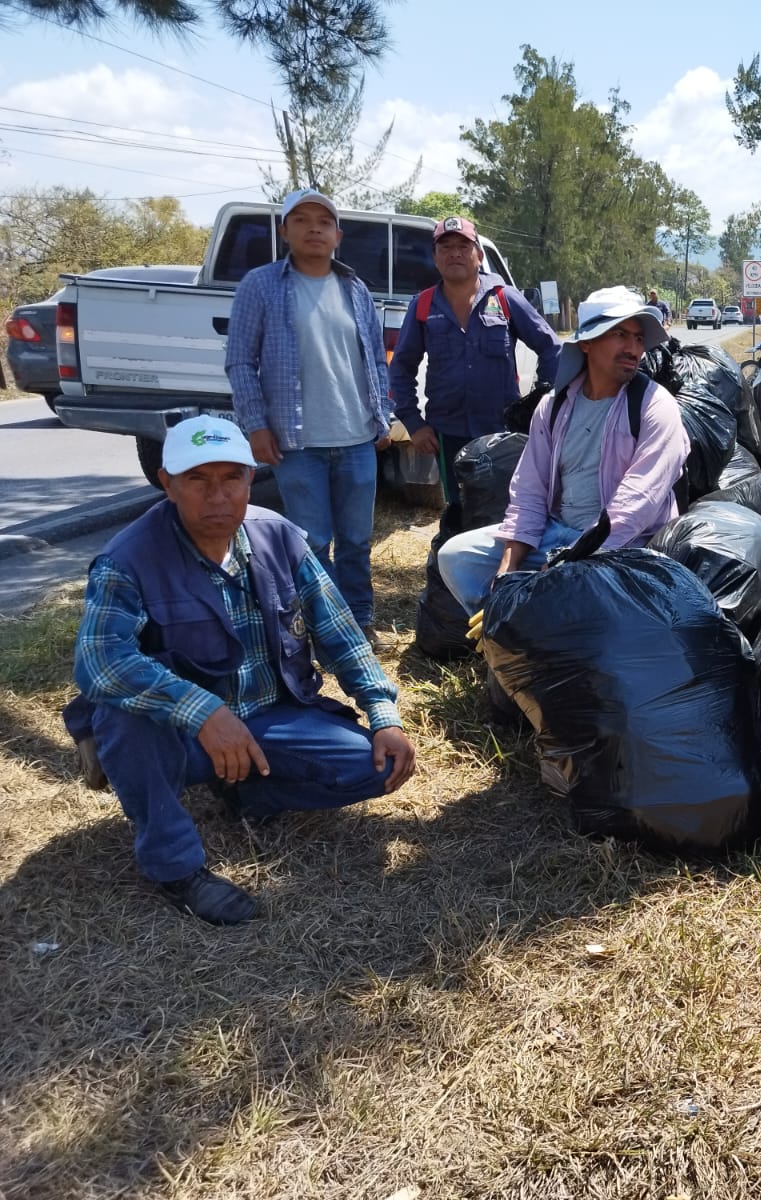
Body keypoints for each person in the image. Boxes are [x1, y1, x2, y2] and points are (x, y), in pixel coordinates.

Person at [63, 417, 418, 924]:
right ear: (167, 482)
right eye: (198, 480)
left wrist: (383, 713)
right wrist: (203, 712)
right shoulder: (128, 559)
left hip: (270, 713)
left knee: (376, 767)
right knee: (121, 714)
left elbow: (340, 632)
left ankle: (246, 789)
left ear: (251, 479)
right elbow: (99, 663)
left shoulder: (280, 538)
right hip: (182, 734)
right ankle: (175, 868)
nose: (217, 496)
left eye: (231, 477)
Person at [437, 286, 689, 613]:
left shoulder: (655, 407)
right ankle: (502, 627)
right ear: (586, 343)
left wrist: (563, 567)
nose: (633, 348)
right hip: (556, 535)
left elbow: (635, 506)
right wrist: (507, 572)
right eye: (620, 334)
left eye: (639, 339)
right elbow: (529, 491)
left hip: (624, 547)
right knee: (457, 557)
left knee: (582, 605)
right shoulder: (553, 408)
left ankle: (535, 618)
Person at [225, 188, 393, 646]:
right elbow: (240, 361)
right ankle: (329, 629)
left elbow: (375, 359)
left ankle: (360, 620)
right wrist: (255, 425)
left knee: (358, 541)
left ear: (338, 235)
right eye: (301, 219)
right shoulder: (260, 285)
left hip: (357, 438)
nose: (313, 228)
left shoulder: (355, 289)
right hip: (296, 444)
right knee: (312, 543)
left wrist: (382, 418)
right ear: (285, 231)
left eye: (324, 221)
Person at [388, 215, 561, 533]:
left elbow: (551, 347)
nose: (455, 253)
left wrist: (541, 405)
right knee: (460, 511)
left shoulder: (505, 299)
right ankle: (460, 574)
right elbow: (400, 368)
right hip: (447, 435)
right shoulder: (423, 306)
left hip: (502, 434)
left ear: (478, 256)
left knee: (507, 512)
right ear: (436, 257)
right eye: (446, 247)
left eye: (463, 246)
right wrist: (414, 423)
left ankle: (503, 577)